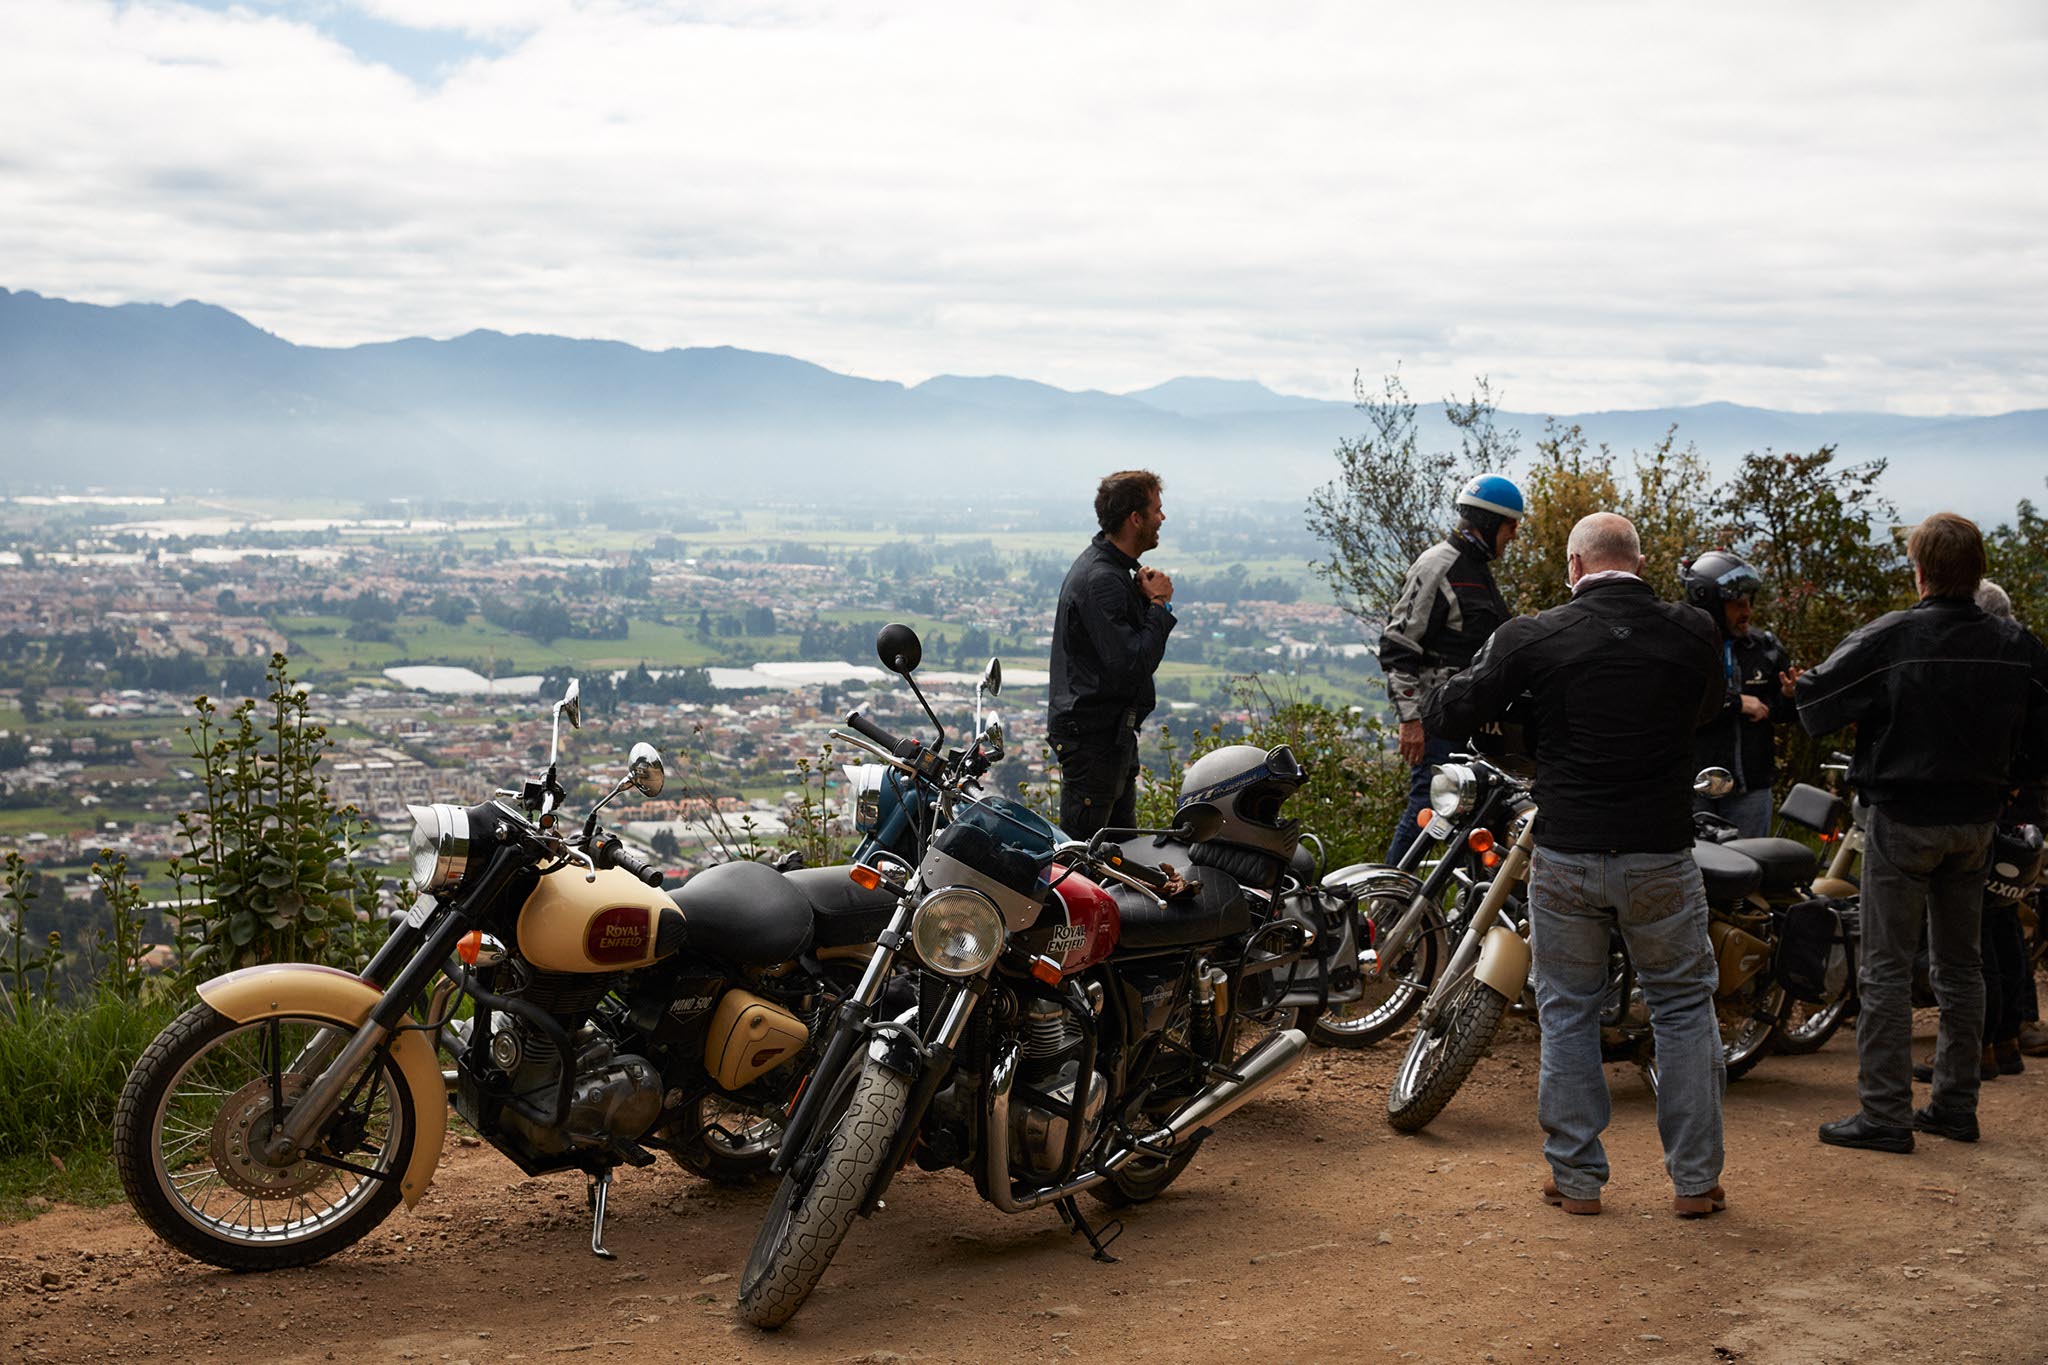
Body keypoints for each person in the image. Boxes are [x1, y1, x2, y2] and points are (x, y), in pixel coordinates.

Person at [1428, 512, 1728, 1219]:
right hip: (1660, 849)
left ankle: (1577, 1178)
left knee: (1567, 1009)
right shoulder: (1694, 631)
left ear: (1574, 565)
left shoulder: (1537, 634)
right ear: (1640, 562)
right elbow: (1707, 709)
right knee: (1684, 1008)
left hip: (1566, 850)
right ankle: (1694, 1182)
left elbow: (1452, 709)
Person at [1796, 515, 2048, 1152]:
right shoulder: (2017, 643)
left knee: (1884, 969)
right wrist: (2013, 783)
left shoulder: (1894, 636)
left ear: (1920, 572)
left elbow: (1816, 705)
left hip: (1903, 819)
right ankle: (1955, 1107)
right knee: (1962, 967)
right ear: (1978, 571)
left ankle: (1884, 1114)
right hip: (1977, 821)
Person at [1379, 473, 1522, 864]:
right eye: (1512, 525)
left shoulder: (1476, 568)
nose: (1514, 535)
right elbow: (1397, 648)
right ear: (1491, 521)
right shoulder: (1437, 565)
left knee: (1481, 822)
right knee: (1427, 813)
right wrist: (1411, 721)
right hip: (1439, 721)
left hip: (1473, 724)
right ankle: (1389, 905)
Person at [1047, 469, 1175, 839]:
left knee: (1118, 854)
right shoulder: (1102, 579)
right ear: (1135, 518)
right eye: (1156, 510)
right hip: (1093, 741)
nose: (1162, 519)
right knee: (1087, 858)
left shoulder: (1113, 572)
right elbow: (1131, 664)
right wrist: (1159, 606)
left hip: (1108, 737)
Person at [1682, 550, 1802, 837]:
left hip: (1751, 787)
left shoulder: (1765, 648)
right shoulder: (1685, 647)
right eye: (1737, 605)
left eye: (1749, 603)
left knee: (1750, 870)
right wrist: (1735, 704)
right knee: (1694, 873)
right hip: (1694, 785)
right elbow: (1679, 705)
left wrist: (1789, 697)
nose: (1747, 612)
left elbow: (1783, 714)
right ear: (1709, 603)